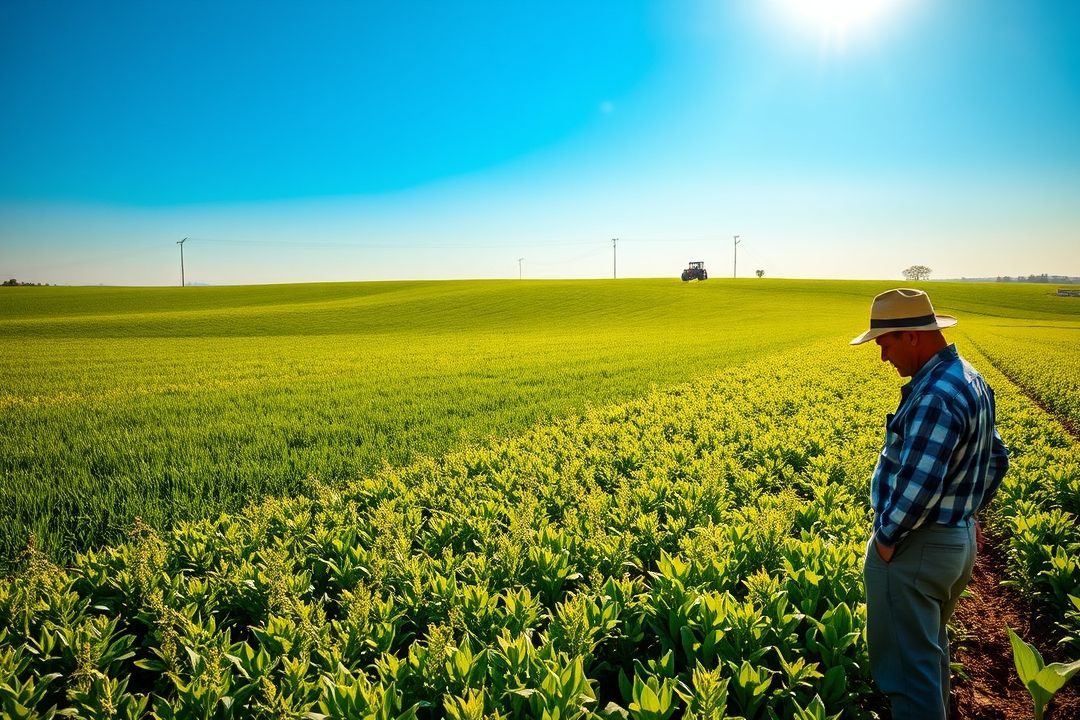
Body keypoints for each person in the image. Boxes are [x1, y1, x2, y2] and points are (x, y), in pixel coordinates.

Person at [850, 288, 1009, 719]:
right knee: (928, 657)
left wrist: (885, 540)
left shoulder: (934, 395)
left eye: (885, 343)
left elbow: (918, 487)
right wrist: (968, 513)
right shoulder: (970, 378)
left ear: (912, 337)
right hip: (953, 544)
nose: (883, 357)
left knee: (907, 676)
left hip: (915, 549)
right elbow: (996, 458)